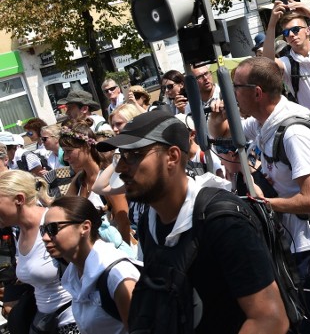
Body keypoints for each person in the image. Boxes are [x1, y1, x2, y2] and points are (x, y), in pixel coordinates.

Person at [208, 57, 310, 334]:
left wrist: (262, 205)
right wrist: (216, 118)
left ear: (257, 92)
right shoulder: (265, 123)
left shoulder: (293, 133)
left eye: (235, 87)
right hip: (300, 240)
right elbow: (225, 136)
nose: (231, 94)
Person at [99, 109, 289, 332]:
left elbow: (270, 320)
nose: (121, 168)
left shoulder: (222, 221)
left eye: (134, 155)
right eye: (121, 156)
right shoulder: (149, 222)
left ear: (172, 156)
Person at [42, 196, 139, 333]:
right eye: (43, 230)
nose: (45, 237)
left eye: (53, 228)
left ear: (85, 227)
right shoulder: (74, 272)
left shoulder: (118, 275)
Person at [0, 170, 76, 333]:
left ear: (19, 199)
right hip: (46, 322)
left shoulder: (55, 224)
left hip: (73, 319)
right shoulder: (21, 232)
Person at [60, 121, 133, 245]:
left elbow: (124, 222)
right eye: (64, 152)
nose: (65, 158)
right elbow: (64, 210)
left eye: (69, 151)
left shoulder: (107, 178)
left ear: (87, 146)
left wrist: (123, 253)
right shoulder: (79, 179)